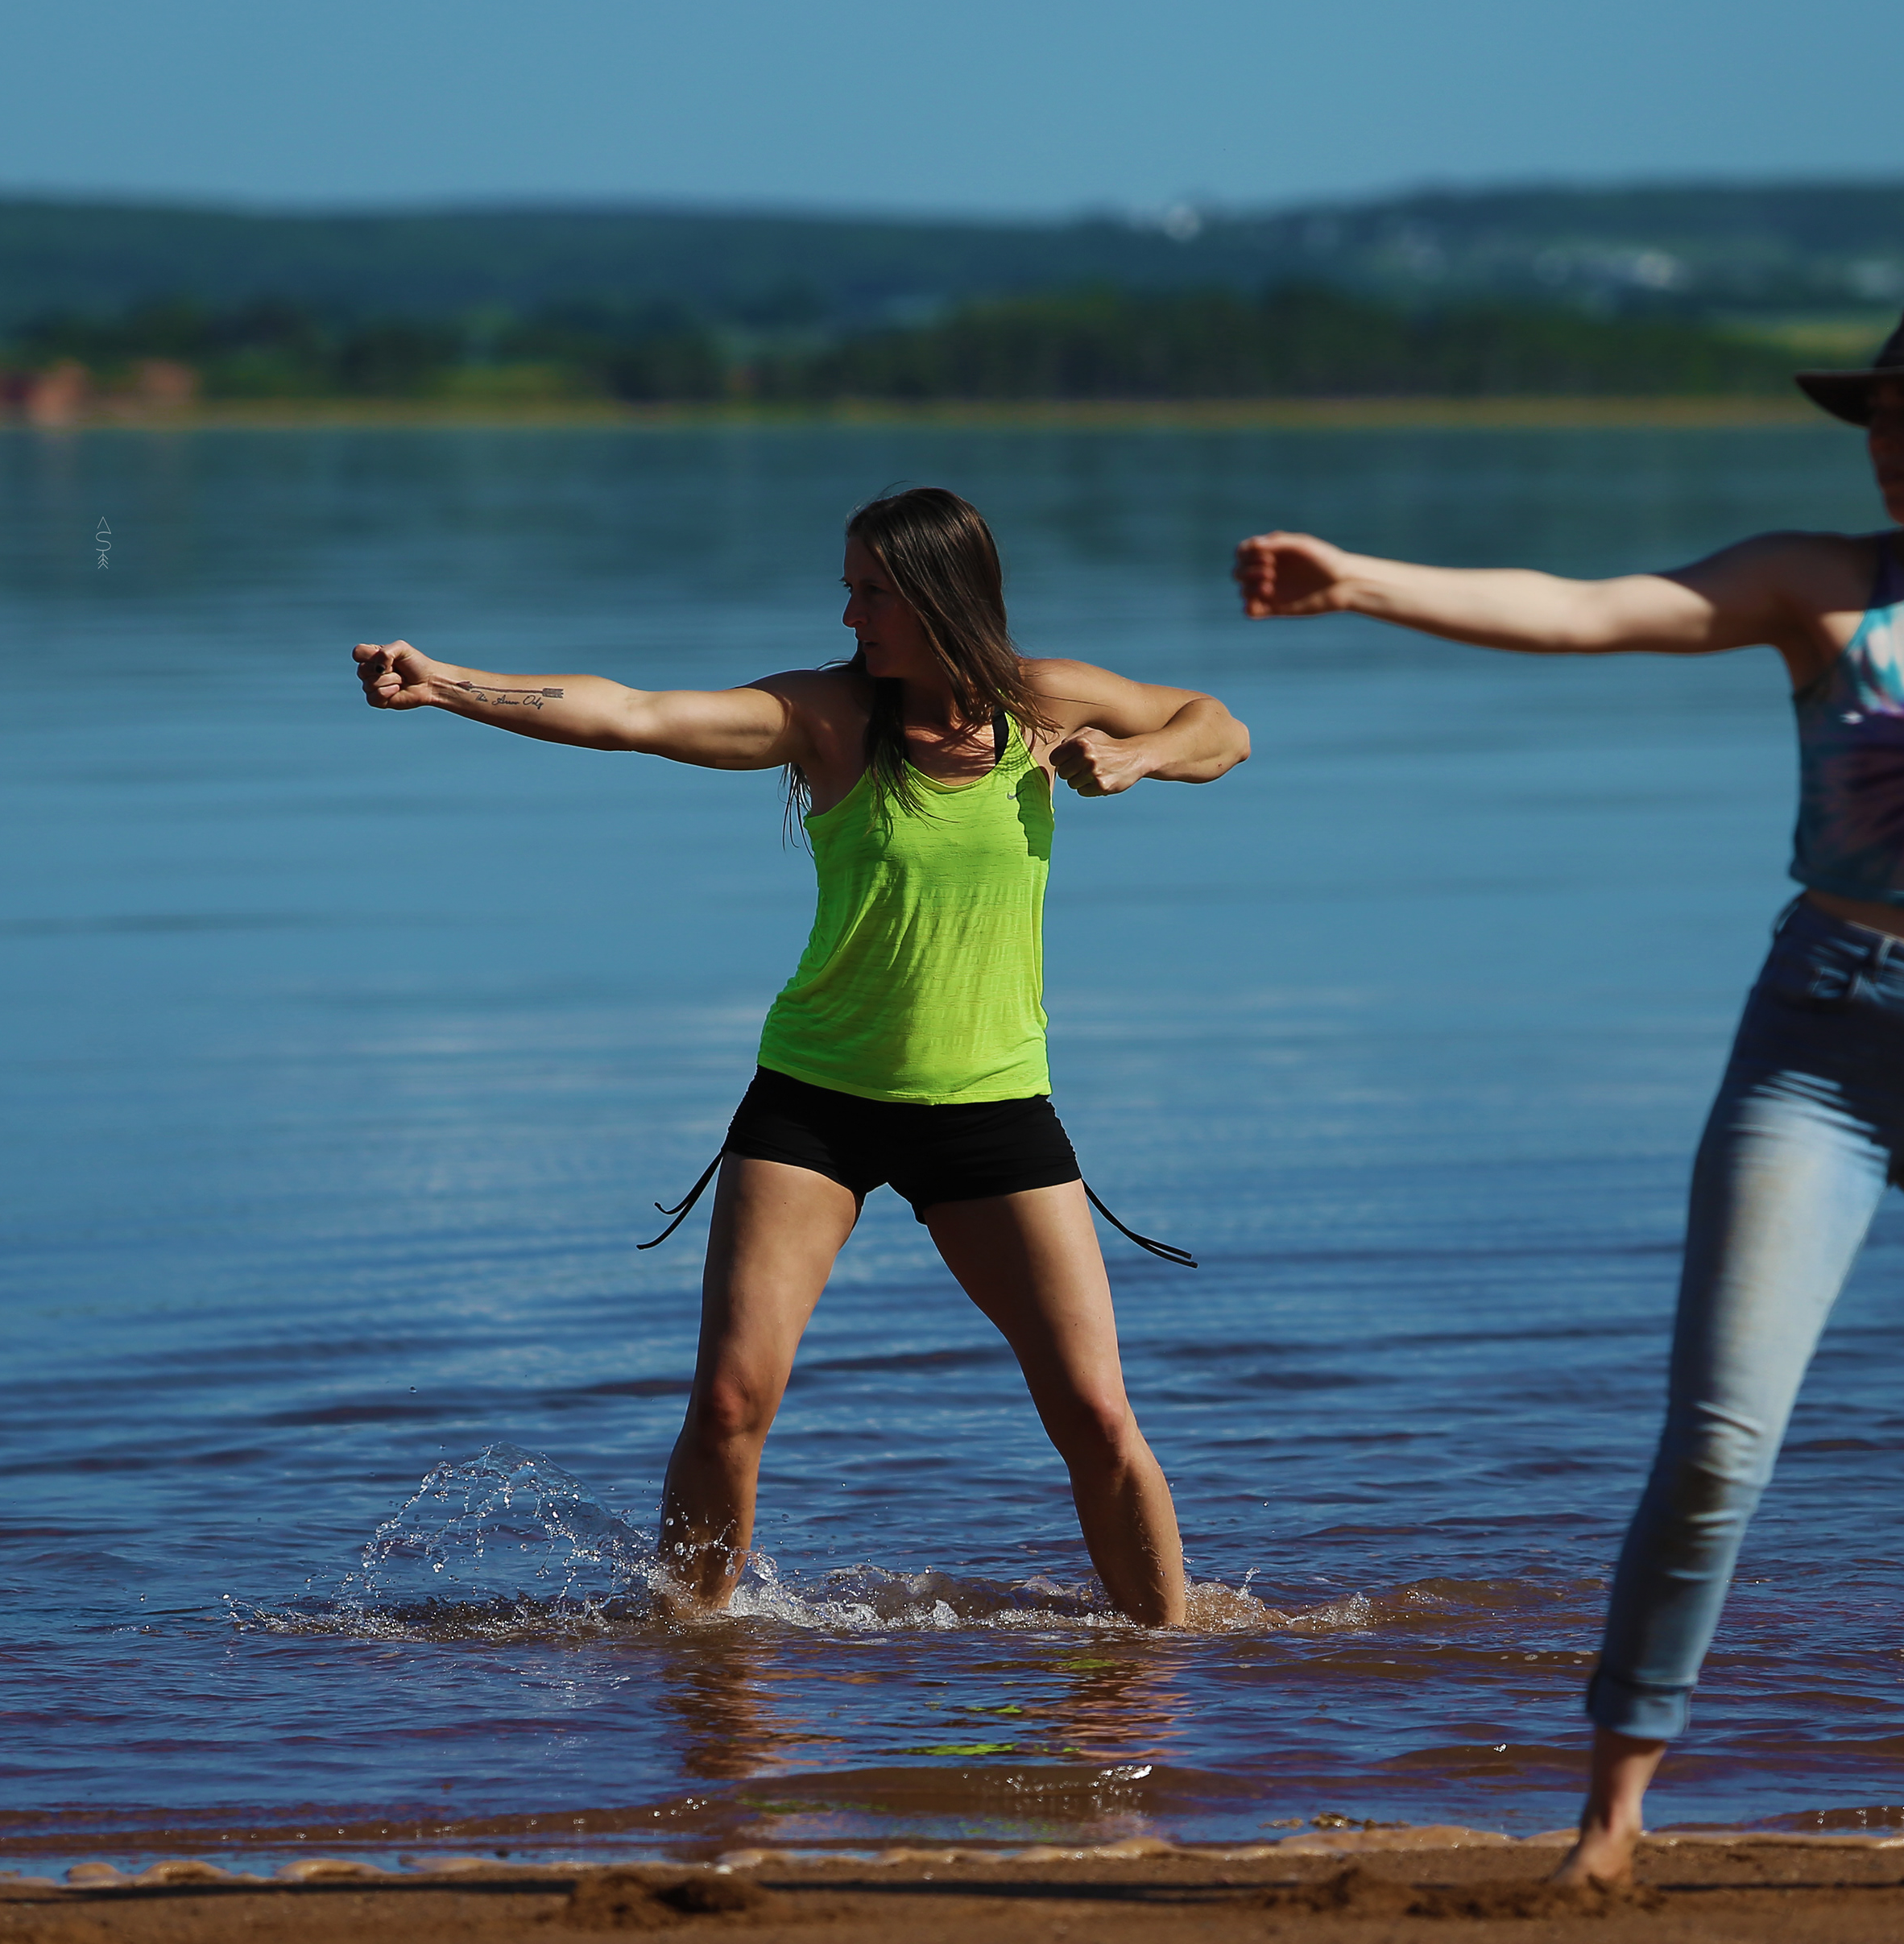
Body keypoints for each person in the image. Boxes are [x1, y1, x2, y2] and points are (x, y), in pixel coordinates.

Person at [1232, 302, 1904, 1876]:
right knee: (1717, 1449)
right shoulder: (1819, 585)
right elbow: (1589, 609)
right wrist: (1361, 580)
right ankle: (1610, 1828)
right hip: (1822, 1048)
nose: (1888, 444)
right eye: (1876, 418)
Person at [358, 486, 1249, 1629]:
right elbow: (631, 713)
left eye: (873, 593)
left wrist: (1139, 756)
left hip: (990, 1107)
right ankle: (695, 1644)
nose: (850, 617)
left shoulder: (1047, 704)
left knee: (1094, 1413)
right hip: (816, 1103)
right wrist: (445, 684)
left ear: (943, 595)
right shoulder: (826, 717)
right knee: (729, 1403)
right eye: (848, 590)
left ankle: (1163, 1653)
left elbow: (1221, 727)